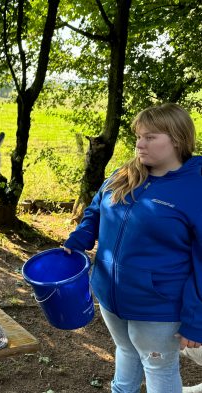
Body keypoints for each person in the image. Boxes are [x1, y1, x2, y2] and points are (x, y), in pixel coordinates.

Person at [63, 103, 202, 393]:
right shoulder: (125, 174)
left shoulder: (195, 188)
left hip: (158, 305)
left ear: (177, 139)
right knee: (125, 350)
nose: (140, 144)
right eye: (138, 136)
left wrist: (195, 318)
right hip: (110, 293)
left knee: (158, 368)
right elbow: (96, 211)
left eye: (150, 137)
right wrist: (80, 239)